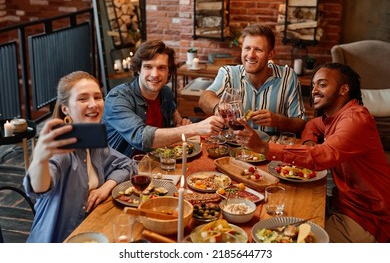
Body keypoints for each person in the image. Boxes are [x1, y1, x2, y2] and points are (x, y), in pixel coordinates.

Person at [235, 62, 390, 243]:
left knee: (290, 242)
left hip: (367, 218)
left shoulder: (356, 119)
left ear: (343, 90)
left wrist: (264, 147)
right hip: (341, 204)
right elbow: (311, 125)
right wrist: (309, 144)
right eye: (314, 84)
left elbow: (323, 155)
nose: (314, 90)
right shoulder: (334, 117)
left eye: (322, 85)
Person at [23, 71, 136, 243]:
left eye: (97, 97)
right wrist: (40, 160)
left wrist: (105, 187)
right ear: (65, 108)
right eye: (83, 99)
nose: (93, 104)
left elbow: (128, 165)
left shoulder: (93, 139)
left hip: (90, 231)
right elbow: (39, 188)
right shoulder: (62, 148)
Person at [102, 40, 225, 157]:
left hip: (158, 162)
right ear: (139, 69)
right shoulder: (117, 98)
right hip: (122, 171)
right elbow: (142, 138)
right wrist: (194, 128)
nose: (155, 74)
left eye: (161, 68)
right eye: (148, 67)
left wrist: (178, 121)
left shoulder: (165, 92)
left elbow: (172, 109)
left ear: (169, 72)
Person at [198, 23, 307, 135]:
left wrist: (278, 121)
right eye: (247, 48)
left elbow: (301, 123)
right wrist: (218, 106)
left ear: (270, 54)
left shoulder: (287, 77)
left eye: (258, 50)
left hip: (270, 148)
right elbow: (204, 99)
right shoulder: (228, 73)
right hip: (233, 147)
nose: (250, 55)